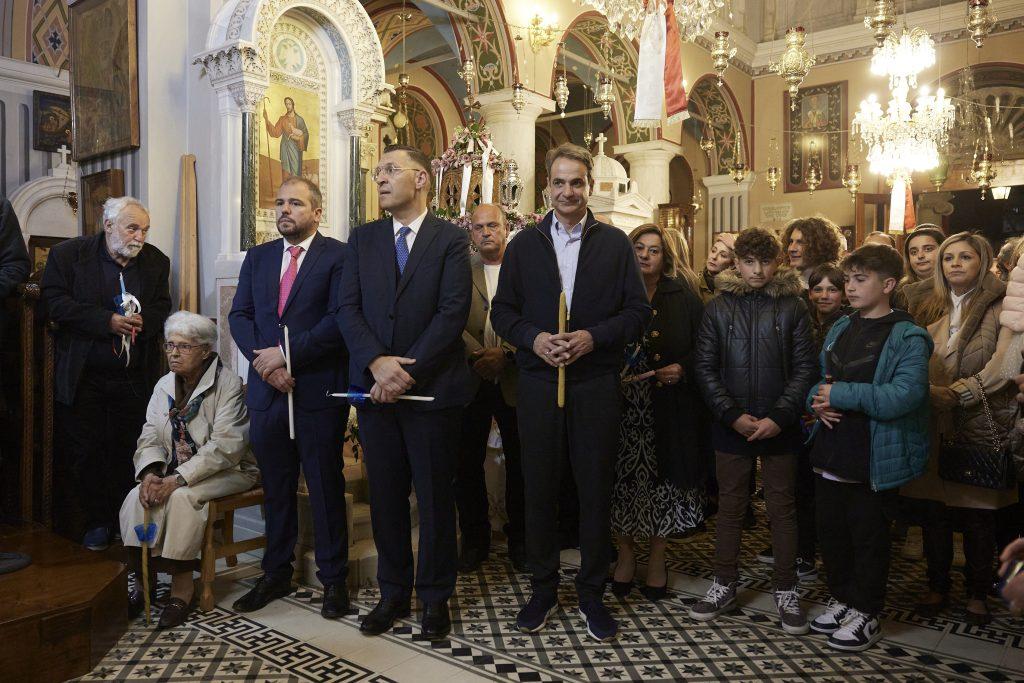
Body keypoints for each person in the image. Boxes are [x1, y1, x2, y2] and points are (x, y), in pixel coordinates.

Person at [491, 143, 649, 642]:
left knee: (593, 489)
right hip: (539, 384)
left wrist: (592, 337)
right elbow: (502, 312)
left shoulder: (614, 244)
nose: (567, 191)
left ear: (589, 187)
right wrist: (534, 338)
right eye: (558, 182)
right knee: (539, 488)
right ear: (547, 188)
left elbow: (637, 312)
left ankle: (590, 593)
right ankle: (543, 589)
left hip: (595, 384)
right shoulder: (524, 244)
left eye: (576, 182)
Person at [338, 144, 472, 641]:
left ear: (421, 178)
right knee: (386, 498)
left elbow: (452, 313)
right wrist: (377, 364)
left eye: (390, 170)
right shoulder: (363, 238)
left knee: (434, 500)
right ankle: (393, 593)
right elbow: (347, 309)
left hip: (431, 394)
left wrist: (403, 372)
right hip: (376, 393)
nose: (380, 179)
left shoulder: (450, 239)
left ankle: (435, 597)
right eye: (378, 172)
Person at [229, 177, 351, 619]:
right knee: (277, 489)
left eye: (295, 203)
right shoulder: (259, 257)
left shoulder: (338, 256)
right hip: (268, 394)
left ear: (316, 212)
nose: (284, 210)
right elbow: (240, 316)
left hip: (315, 391)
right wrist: (266, 365)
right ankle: (275, 572)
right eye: (280, 202)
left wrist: (287, 356)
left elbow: (338, 320)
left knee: (324, 487)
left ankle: (334, 580)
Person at [690, 227, 817, 634]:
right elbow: (704, 367)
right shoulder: (718, 307)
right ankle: (724, 583)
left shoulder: (794, 307)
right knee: (730, 507)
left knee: (781, 507)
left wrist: (780, 416)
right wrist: (731, 414)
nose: (757, 270)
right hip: (732, 422)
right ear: (737, 263)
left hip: (781, 423)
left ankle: (786, 587)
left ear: (777, 261)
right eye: (748, 262)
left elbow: (805, 368)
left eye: (765, 261)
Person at [805, 244, 932, 651]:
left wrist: (839, 395)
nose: (850, 287)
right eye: (848, 280)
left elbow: (904, 395)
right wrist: (816, 400)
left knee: (868, 538)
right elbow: (822, 378)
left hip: (872, 454)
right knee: (833, 534)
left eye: (861, 280)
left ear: (888, 284)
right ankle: (843, 598)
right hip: (831, 449)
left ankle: (867, 611)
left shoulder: (908, 335)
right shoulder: (842, 326)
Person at [902, 232, 1019, 626]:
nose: (954, 263)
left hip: (977, 420)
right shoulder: (923, 302)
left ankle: (977, 593)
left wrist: (958, 394)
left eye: (965, 256)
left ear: (982, 260)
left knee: (976, 515)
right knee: (934, 511)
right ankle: (937, 585)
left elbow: (1005, 364)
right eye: (948, 257)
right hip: (931, 420)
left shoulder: (1002, 305)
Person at [42, 196, 171, 550]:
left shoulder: (156, 261)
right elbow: (55, 303)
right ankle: (95, 522)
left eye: (144, 230)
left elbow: (162, 305)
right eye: (132, 228)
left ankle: (124, 521)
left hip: (133, 378)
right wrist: (106, 321)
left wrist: (146, 320)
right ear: (108, 225)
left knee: (128, 449)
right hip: (84, 377)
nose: (139, 237)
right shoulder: (69, 256)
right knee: (87, 452)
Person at [119, 312, 259, 628]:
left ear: (205, 350)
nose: (174, 353)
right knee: (136, 497)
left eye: (184, 346)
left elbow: (227, 446)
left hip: (231, 469)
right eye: (170, 345)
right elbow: (150, 434)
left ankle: (182, 590)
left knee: (182, 499)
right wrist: (151, 473)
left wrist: (177, 479)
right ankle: (143, 582)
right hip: (174, 469)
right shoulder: (163, 385)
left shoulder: (228, 384)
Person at [611, 224, 708, 602]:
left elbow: (705, 348)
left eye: (654, 250)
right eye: (639, 248)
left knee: (662, 486)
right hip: (621, 406)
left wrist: (682, 368)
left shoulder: (682, 295)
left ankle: (656, 558)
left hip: (667, 407)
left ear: (665, 256)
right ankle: (624, 554)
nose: (645, 256)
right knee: (621, 483)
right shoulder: (614, 292)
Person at [455, 203, 526, 573]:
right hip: (472, 377)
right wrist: (478, 355)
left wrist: (507, 353)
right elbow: (450, 316)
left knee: (521, 464)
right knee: (466, 464)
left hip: (515, 379)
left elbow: (535, 317)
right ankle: (475, 541)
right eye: (479, 227)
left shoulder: (523, 269)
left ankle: (521, 541)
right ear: (471, 232)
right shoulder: (459, 271)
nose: (486, 232)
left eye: (492, 225)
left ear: (505, 229)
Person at [782, 216, 843, 285]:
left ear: (819, 246)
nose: (791, 249)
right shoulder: (783, 287)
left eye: (800, 242)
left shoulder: (841, 285)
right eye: (791, 242)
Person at [264, 97, 308, 178]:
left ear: (293, 105)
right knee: (285, 174)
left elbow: (305, 135)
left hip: (296, 151)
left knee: (295, 174)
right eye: (286, 104)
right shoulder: (283, 119)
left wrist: (298, 138)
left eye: (289, 104)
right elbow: (275, 133)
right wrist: (267, 120)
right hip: (285, 149)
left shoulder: (300, 120)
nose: (288, 106)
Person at [699, 233, 736, 302]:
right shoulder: (695, 283)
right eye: (713, 251)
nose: (714, 257)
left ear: (732, 264)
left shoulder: (736, 289)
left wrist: (734, 247)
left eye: (723, 255)